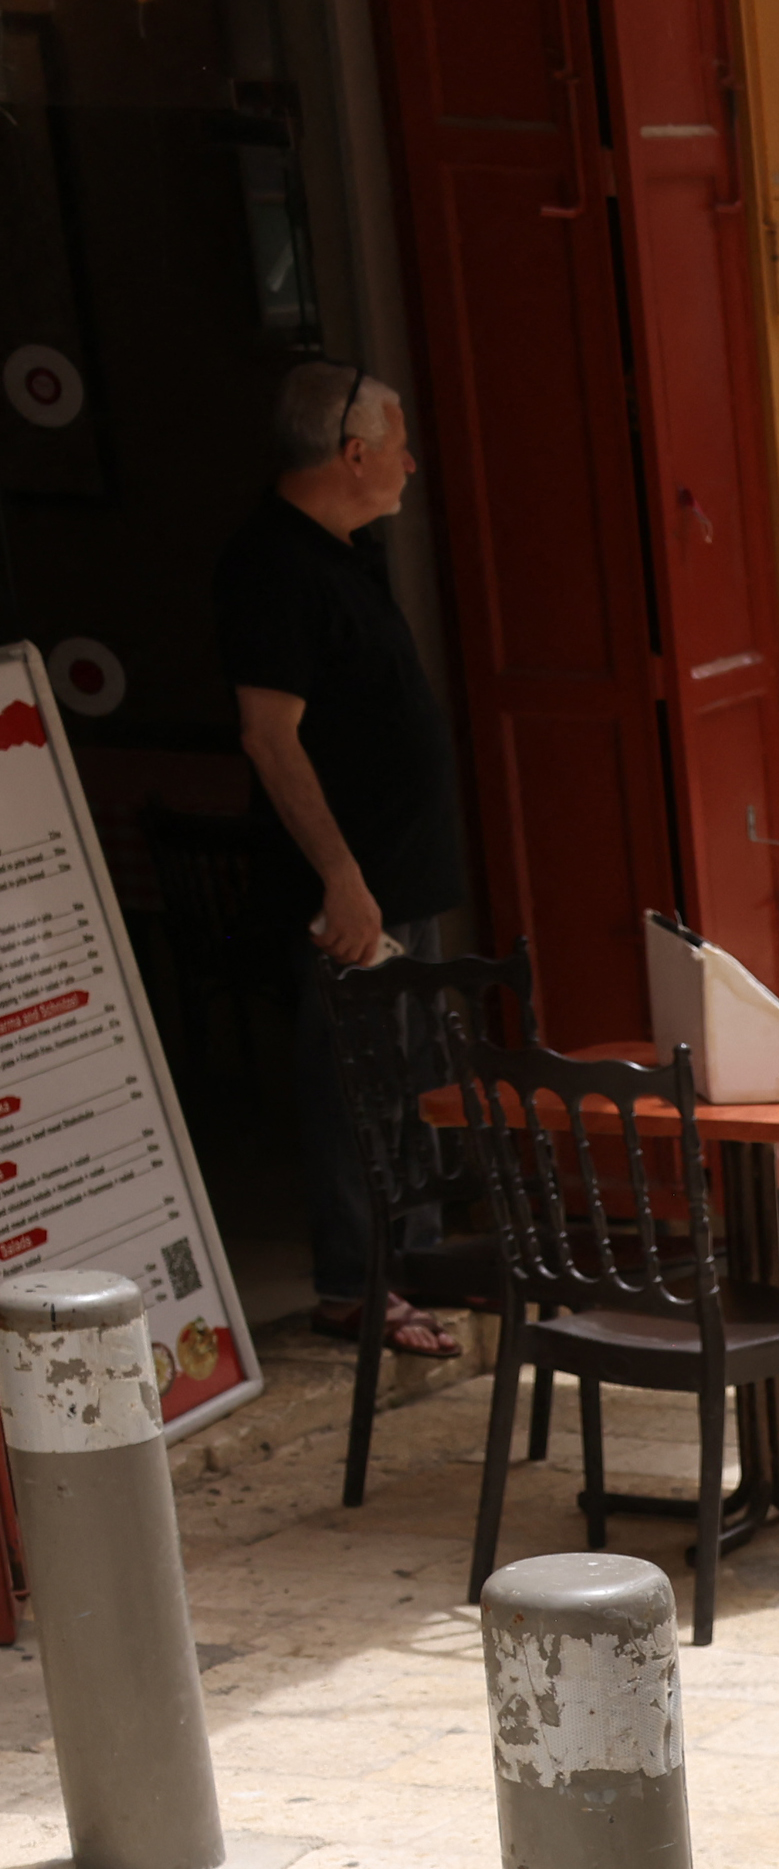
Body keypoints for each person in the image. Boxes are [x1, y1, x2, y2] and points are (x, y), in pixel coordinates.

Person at [219, 361, 469, 1357]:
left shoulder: (346, 550)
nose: (412, 461)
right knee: (351, 1083)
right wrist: (341, 874)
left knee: (408, 1076)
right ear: (354, 452)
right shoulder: (269, 565)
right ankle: (355, 1285)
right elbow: (269, 737)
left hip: (400, 876)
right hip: (350, 887)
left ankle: (414, 1262)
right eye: (399, 440)